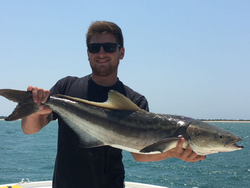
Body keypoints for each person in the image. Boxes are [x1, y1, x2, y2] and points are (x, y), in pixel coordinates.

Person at [21, 21, 206, 188]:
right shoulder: (66, 88)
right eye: (94, 48)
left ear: (121, 52)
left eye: (109, 47)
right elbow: (30, 129)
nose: (101, 53)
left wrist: (174, 152)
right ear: (88, 53)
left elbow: (140, 154)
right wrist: (36, 108)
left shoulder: (135, 101)